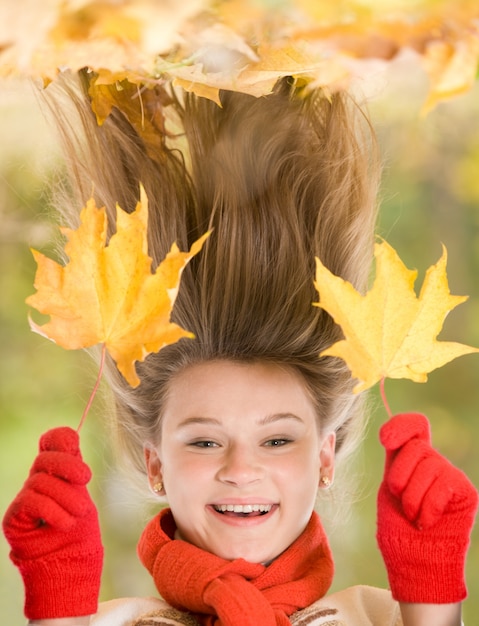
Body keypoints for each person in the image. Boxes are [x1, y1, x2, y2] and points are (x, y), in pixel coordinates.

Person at [2, 74, 478, 626]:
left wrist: (434, 588)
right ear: (156, 464)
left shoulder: (380, 616)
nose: (241, 469)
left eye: (277, 439)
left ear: (323, 457)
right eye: (204, 441)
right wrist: (57, 605)